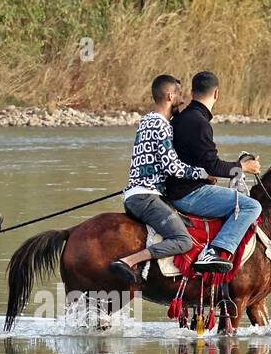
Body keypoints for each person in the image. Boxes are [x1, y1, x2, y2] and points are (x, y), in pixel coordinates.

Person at [110, 74, 212, 286]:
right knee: (183, 241)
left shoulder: (146, 121)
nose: (182, 101)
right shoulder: (162, 125)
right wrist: (203, 174)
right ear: (169, 95)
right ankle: (129, 261)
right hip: (146, 197)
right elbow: (172, 167)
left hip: (135, 194)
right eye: (179, 96)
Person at [167, 70, 262, 273]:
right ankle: (215, 252)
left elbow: (191, 161)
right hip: (188, 194)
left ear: (193, 92)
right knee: (251, 207)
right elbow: (213, 166)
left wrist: (205, 175)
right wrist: (244, 167)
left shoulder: (182, 118)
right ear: (216, 93)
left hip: (177, 187)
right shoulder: (200, 123)